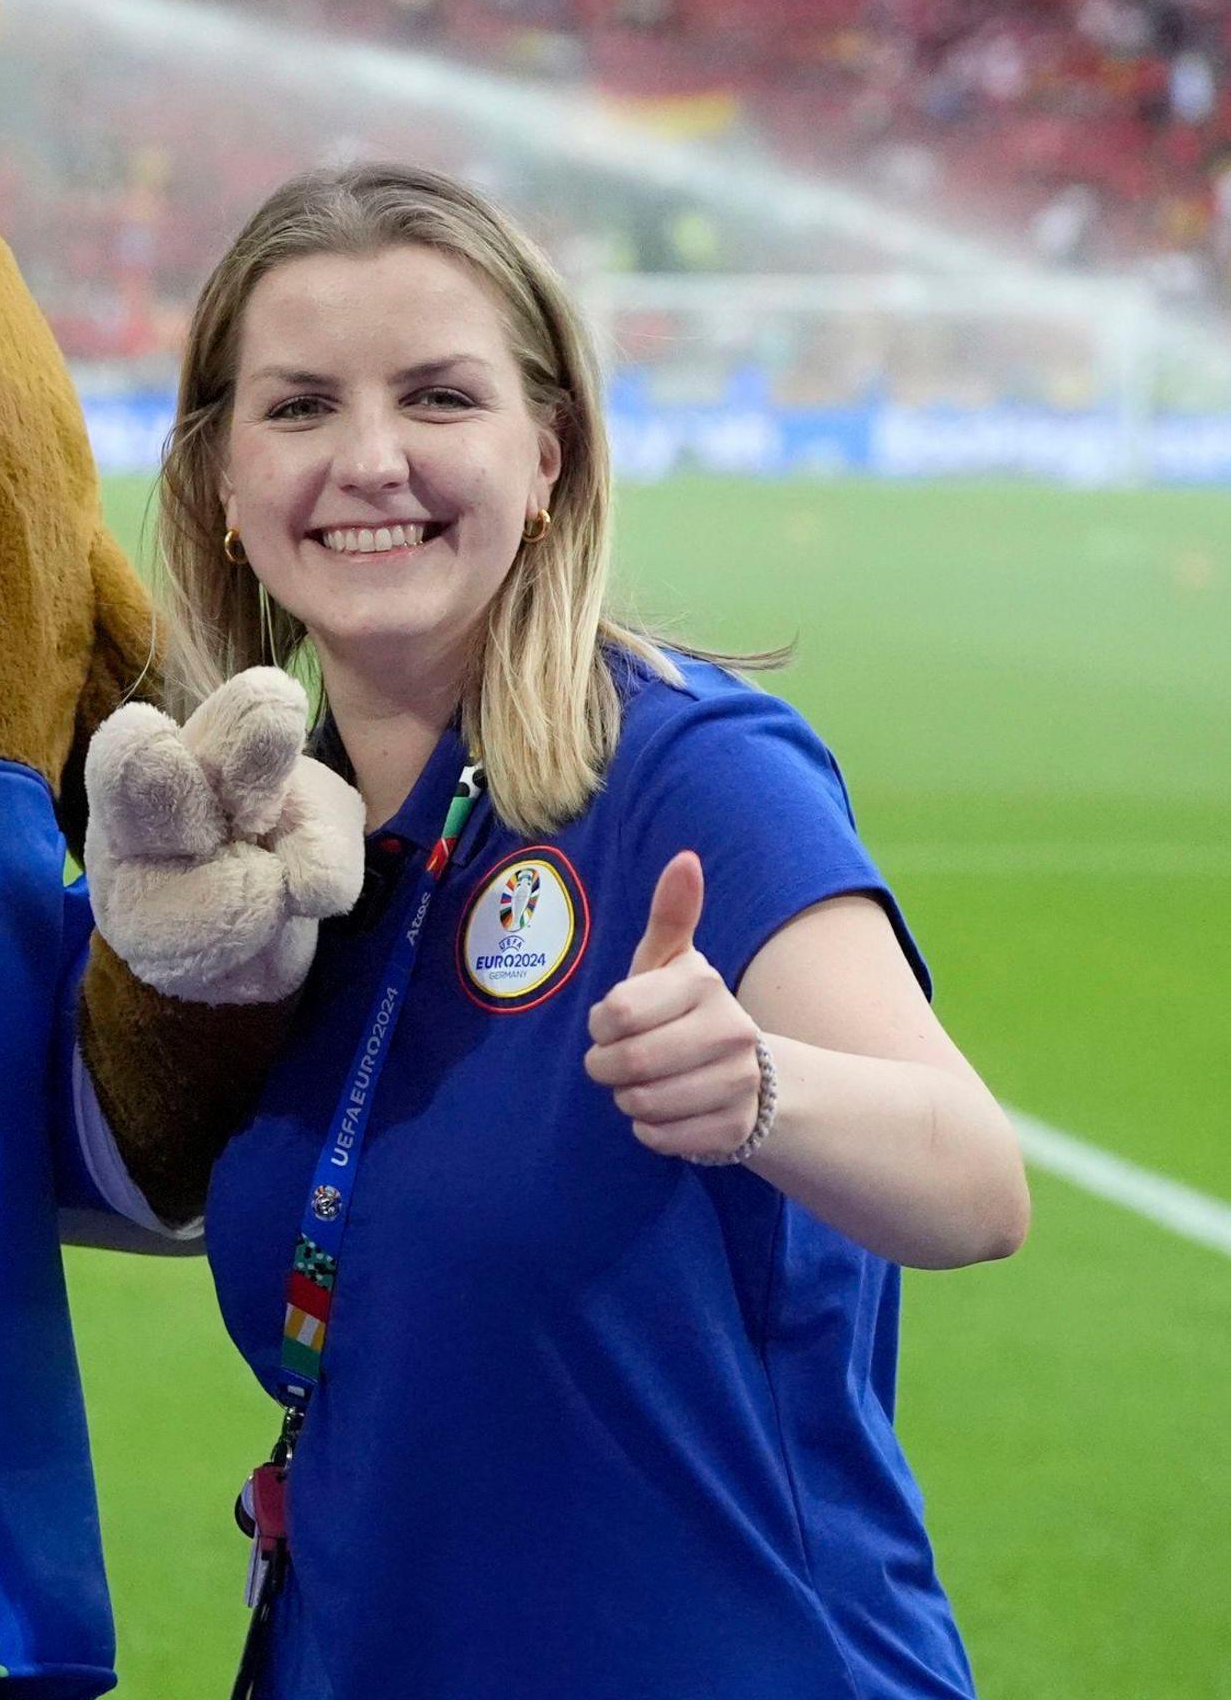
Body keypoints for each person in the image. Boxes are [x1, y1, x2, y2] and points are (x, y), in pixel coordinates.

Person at [156, 164, 1027, 1700]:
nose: (369, 461)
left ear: (546, 456)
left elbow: (972, 1182)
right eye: (297, 409)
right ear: (222, 484)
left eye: (439, 398)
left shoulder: (692, 769)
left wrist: (759, 1088)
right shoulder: (267, 854)